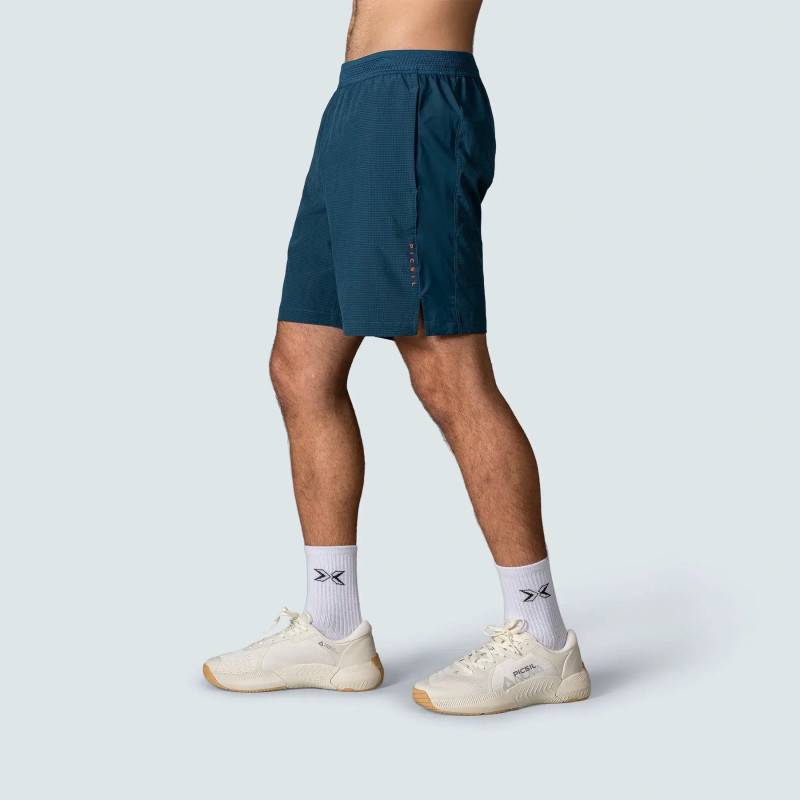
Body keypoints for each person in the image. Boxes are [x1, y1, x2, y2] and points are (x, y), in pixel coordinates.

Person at [203, 0, 590, 715]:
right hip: (356, 101)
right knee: (301, 366)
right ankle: (332, 630)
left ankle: (543, 639)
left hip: (412, 94)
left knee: (448, 373)